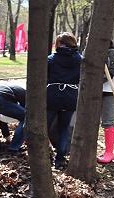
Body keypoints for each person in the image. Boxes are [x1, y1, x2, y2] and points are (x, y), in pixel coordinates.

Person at [47, 32, 82, 169]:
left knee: (44, 127)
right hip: (71, 96)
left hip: (53, 95)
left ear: (60, 44)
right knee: (64, 128)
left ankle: (43, 155)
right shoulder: (80, 59)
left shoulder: (51, 59)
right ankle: (59, 159)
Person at [97, 41, 114, 164]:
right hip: (94, 91)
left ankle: (109, 153)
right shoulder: (89, 51)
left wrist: (94, 82)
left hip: (109, 90)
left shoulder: (111, 52)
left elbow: (109, 73)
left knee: (108, 121)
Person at [0, 84, 26, 152]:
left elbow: (4, 119)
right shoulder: (25, 94)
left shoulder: (11, 90)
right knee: (26, 117)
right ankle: (14, 148)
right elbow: (24, 110)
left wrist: (7, 138)